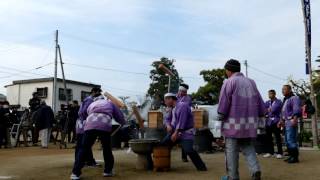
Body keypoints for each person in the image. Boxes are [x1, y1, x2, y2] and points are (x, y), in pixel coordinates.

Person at [218, 59, 265, 180]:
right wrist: (260, 114)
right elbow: (259, 101)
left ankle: (232, 177)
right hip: (249, 124)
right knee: (248, 147)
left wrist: (220, 116)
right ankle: (255, 170)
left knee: (231, 152)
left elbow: (224, 102)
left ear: (228, 70)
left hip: (233, 124)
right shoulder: (251, 82)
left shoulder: (229, 82)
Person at [71, 95, 126, 180]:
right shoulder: (110, 103)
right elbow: (119, 116)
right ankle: (107, 171)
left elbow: (85, 114)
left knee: (84, 148)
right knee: (106, 148)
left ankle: (75, 173)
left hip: (90, 124)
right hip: (104, 124)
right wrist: (123, 122)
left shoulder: (92, 104)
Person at [161, 93, 207, 171]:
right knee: (163, 145)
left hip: (186, 132)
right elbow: (167, 119)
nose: (165, 102)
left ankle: (201, 167)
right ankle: (162, 165)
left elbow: (182, 121)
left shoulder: (182, 106)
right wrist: (168, 125)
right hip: (174, 132)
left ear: (170, 99)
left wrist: (176, 133)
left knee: (188, 150)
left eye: (165, 100)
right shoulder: (172, 108)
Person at [74, 87, 102, 168]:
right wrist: (87, 119)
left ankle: (84, 161)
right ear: (93, 92)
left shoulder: (88, 99)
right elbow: (83, 112)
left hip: (81, 124)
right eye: (98, 92)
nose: (99, 94)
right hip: (83, 124)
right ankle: (86, 161)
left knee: (83, 143)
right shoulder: (90, 100)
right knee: (84, 143)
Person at [278, 85, 301, 164]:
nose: (283, 91)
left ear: (290, 90)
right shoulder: (286, 99)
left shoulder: (294, 98)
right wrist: (281, 121)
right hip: (286, 121)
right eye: (282, 89)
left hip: (291, 120)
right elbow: (283, 112)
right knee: (287, 140)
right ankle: (291, 156)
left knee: (291, 140)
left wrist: (295, 119)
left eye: (284, 89)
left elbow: (296, 109)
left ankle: (295, 157)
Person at [263, 90, 283, 159]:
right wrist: (267, 110)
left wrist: (269, 110)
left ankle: (280, 152)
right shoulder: (267, 102)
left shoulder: (279, 102)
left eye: (271, 94)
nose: (269, 95)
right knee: (268, 138)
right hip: (268, 122)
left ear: (274, 94)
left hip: (276, 121)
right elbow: (263, 110)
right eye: (269, 94)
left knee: (277, 137)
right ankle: (270, 152)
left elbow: (275, 109)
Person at [177, 83, 192, 162]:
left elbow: (184, 109)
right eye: (179, 91)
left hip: (184, 121)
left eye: (182, 91)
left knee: (184, 138)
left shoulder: (187, 98)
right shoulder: (176, 97)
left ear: (185, 92)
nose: (180, 92)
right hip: (176, 120)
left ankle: (184, 156)